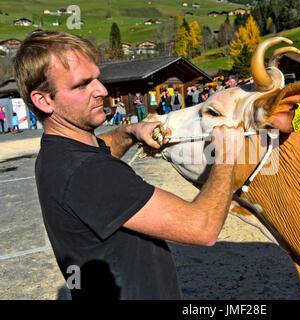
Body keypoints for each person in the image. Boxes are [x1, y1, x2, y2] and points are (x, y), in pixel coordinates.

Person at [12, 30, 244, 300]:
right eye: (81, 85)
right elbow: (202, 228)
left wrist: (131, 132)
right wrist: (226, 154)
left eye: (97, 78)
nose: (101, 90)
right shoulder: (88, 172)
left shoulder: (57, 153)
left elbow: (100, 151)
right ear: (44, 100)